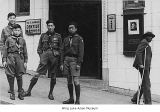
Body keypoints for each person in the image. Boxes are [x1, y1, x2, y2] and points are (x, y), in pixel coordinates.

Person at [22, 20, 62, 100]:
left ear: (54, 26)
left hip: (54, 56)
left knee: (53, 75)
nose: (50, 27)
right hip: (45, 55)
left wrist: (57, 56)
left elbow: (61, 48)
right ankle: (29, 91)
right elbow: (39, 48)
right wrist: (42, 56)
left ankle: (51, 93)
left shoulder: (58, 36)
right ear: (47, 26)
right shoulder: (43, 35)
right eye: (49, 26)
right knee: (37, 74)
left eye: (51, 25)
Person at [60, 22, 84, 104]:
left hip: (74, 60)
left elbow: (81, 53)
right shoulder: (66, 39)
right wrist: (62, 64)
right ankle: (71, 99)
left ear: (76, 29)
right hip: (66, 60)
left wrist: (79, 63)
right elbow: (62, 51)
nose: (70, 29)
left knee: (76, 80)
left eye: (72, 28)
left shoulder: (79, 39)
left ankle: (77, 100)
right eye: (69, 28)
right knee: (68, 79)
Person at [3, 24, 28, 100]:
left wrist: (25, 61)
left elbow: (25, 51)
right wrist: (4, 60)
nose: (16, 32)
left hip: (20, 58)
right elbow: (5, 50)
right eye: (15, 30)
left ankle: (20, 93)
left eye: (18, 30)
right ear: (12, 31)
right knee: (11, 76)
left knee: (19, 76)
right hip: (11, 58)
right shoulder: (8, 39)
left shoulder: (22, 40)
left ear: (20, 31)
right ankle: (12, 93)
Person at [0, 12, 24, 93]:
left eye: (14, 18)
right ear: (8, 19)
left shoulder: (18, 28)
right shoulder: (4, 30)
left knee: (19, 71)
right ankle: (11, 87)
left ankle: (20, 88)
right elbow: (2, 43)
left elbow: (22, 41)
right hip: (8, 53)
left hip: (18, 54)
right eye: (11, 18)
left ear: (15, 19)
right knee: (9, 72)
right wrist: (4, 56)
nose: (12, 19)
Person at [132, 31, 155, 104]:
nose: (151, 38)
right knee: (147, 84)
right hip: (143, 67)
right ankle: (148, 102)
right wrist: (140, 64)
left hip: (146, 66)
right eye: (149, 36)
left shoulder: (146, 43)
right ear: (146, 37)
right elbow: (138, 52)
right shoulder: (144, 42)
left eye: (152, 37)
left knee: (144, 83)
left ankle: (135, 98)